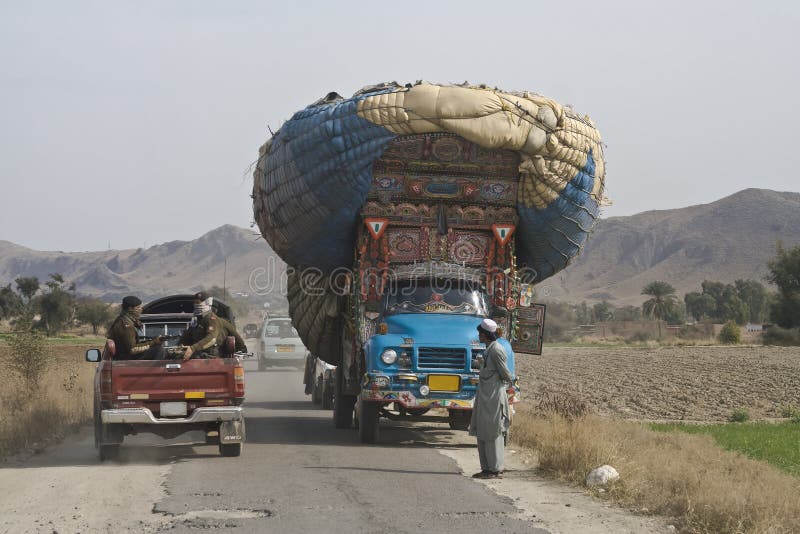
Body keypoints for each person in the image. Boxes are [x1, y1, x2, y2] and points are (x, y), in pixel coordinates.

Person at [469, 318, 513, 479]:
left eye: (480, 333)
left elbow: (505, 373)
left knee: (493, 432)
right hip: (486, 396)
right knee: (483, 431)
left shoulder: (496, 350)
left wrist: (511, 386)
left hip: (494, 397)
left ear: (485, 334)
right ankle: (487, 468)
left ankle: (495, 469)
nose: (478, 335)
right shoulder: (489, 349)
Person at [107, 296, 164, 360]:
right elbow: (132, 349)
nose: (141, 309)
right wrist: (154, 343)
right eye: (138, 307)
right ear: (130, 308)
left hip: (125, 356)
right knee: (158, 349)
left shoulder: (122, 320)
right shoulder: (126, 326)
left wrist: (152, 341)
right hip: (125, 359)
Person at [180, 292, 222, 360]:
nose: (196, 305)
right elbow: (189, 335)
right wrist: (181, 344)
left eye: (198, 302)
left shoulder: (211, 318)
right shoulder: (196, 318)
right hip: (196, 353)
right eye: (195, 303)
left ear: (207, 302)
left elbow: (211, 338)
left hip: (208, 356)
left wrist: (193, 348)